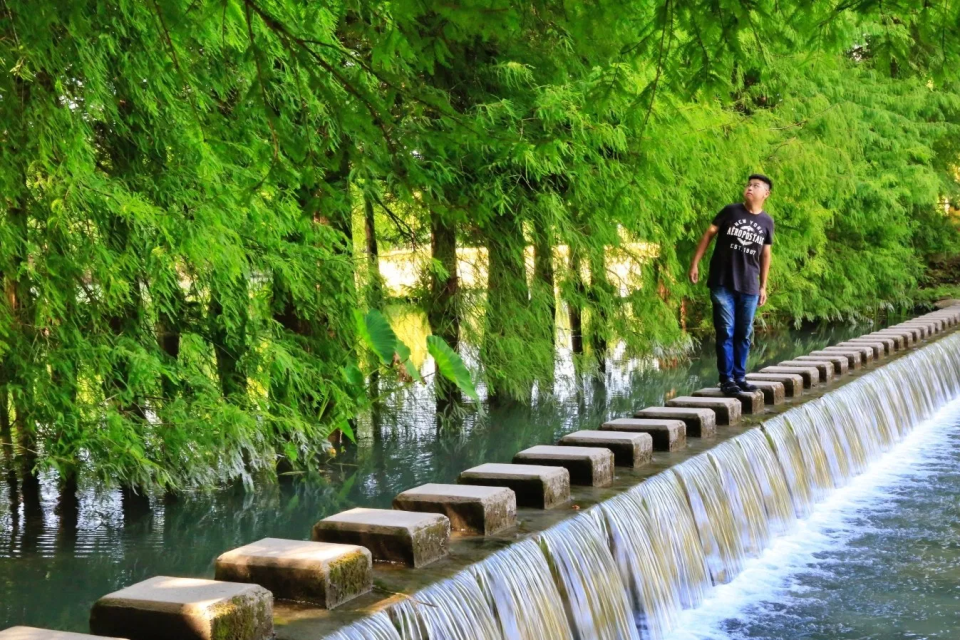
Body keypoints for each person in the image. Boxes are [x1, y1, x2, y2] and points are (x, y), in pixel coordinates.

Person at [688, 174, 774, 396]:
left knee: (743, 333)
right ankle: (726, 379)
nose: (749, 188)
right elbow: (709, 234)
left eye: (756, 186)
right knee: (725, 331)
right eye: (748, 184)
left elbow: (766, 255)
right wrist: (695, 263)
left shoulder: (767, 222)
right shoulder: (730, 211)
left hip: (749, 286)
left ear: (766, 194)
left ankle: (740, 376)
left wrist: (763, 286)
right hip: (722, 282)